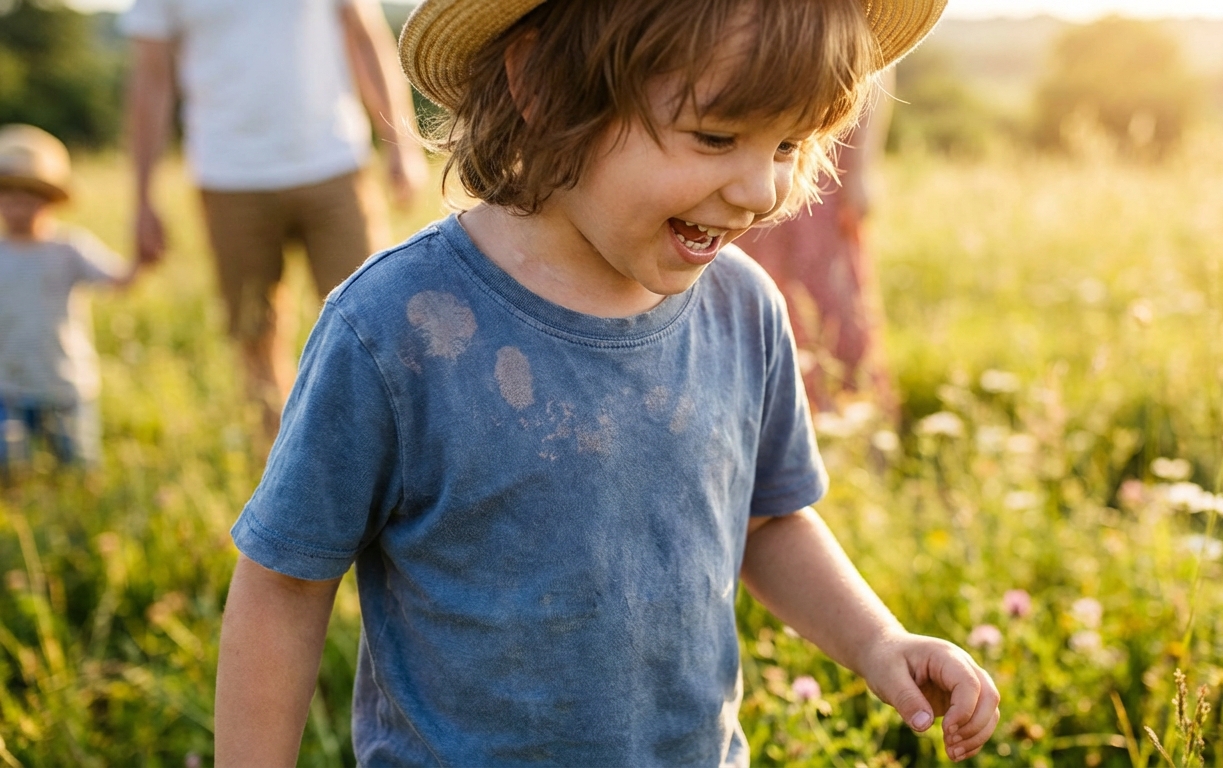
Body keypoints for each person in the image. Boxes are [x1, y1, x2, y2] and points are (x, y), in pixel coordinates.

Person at [213, 0, 1000, 764]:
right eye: (716, 134)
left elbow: (768, 520)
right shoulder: (395, 327)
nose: (762, 192)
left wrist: (878, 640)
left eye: (790, 145)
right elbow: (285, 583)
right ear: (544, 88)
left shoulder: (744, 307)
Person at [120, 0, 428, 438]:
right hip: (228, 176)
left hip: (334, 163)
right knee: (254, 336)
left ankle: (384, 465)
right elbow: (150, 79)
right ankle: (284, 471)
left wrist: (402, 143)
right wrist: (143, 198)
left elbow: (365, 37)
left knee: (373, 325)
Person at [735, 76, 896, 416]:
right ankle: (763, 418)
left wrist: (863, 167)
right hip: (758, 153)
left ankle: (849, 420)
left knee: (833, 294)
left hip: (825, 161)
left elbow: (878, 70)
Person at [0, 124, 146, 469]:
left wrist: (141, 258)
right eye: (9, 194)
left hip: (64, 382)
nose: (20, 204)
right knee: (10, 471)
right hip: (7, 383)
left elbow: (117, 280)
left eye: (31, 195)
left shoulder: (69, 247)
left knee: (77, 466)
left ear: (51, 201)